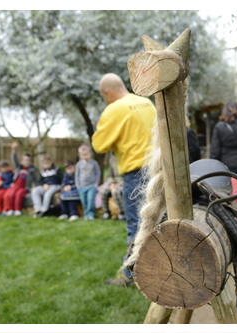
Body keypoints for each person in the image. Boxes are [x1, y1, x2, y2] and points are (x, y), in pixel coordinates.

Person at [92, 73, 156, 286]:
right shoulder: (146, 103)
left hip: (135, 174)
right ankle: (160, 269)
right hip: (158, 170)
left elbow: (99, 145)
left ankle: (130, 276)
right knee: (159, 221)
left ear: (107, 93)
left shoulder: (114, 109)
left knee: (136, 226)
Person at [9, 143, 39, 216]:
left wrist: (36, 186)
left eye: (29, 160)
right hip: (16, 186)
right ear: (21, 161)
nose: (27, 162)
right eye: (25, 160)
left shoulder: (32, 170)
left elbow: (36, 179)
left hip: (24, 187)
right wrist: (13, 150)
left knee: (19, 194)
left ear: (31, 162)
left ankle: (17, 210)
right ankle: (10, 209)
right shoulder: (19, 167)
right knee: (11, 194)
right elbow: (14, 160)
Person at [75, 145, 101, 221]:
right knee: (84, 201)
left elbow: (98, 173)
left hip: (91, 186)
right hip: (82, 187)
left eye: (87, 154)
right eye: (83, 155)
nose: (85, 156)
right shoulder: (79, 164)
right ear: (80, 155)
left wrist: (96, 183)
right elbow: (76, 175)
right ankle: (86, 214)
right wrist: (78, 186)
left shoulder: (94, 163)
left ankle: (91, 214)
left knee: (90, 200)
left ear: (90, 154)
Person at [99, 151, 125, 221]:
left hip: (124, 183)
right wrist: (112, 183)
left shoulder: (127, 158)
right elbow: (109, 175)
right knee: (103, 190)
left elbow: (130, 176)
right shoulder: (112, 159)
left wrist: (119, 184)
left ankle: (122, 213)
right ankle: (106, 212)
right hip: (114, 183)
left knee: (115, 191)